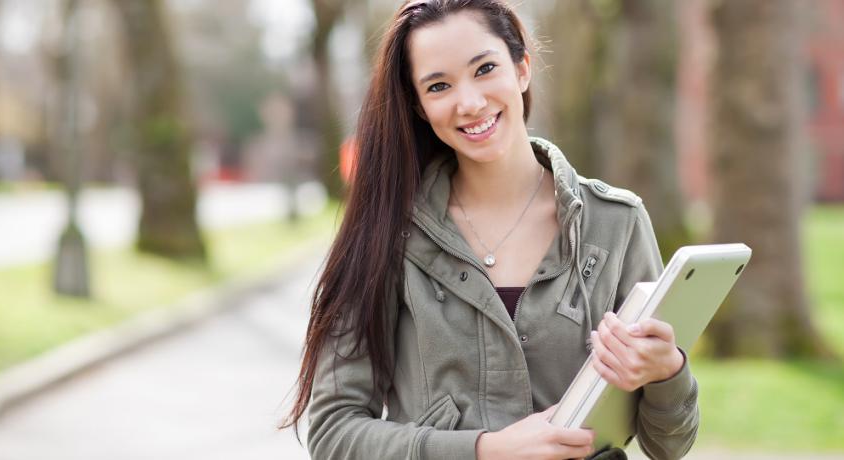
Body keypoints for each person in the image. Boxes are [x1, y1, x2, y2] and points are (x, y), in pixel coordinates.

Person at [281, 1, 699, 459]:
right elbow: (333, 432)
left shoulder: (615, 222)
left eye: (485, 69)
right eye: (439, 85)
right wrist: (484, 450)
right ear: (419, 107)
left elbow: (669, 445)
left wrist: (666, 372)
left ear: (522, 69)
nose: (470, 102)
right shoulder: (388, 233)